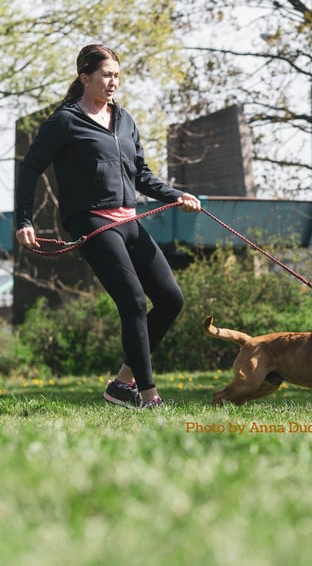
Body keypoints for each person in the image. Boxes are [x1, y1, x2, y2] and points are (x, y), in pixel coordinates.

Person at [15, 44, 202, 409]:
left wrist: (176, 194)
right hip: (91, 220)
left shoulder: (125, 120)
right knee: (133, 301)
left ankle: (121, 384)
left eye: (117, 75)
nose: (113, 82)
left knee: (170, 299)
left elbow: (142, 175)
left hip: (129, 219)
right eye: (106, 75)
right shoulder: (65, 120)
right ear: (85, 78)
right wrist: (24, 220)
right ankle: (148, 397)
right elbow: (29, 167)